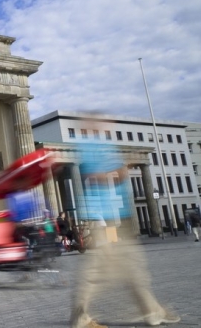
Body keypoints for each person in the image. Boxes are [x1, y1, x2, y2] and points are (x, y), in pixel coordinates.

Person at [70, 120, 180, 328]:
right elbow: (97, 177)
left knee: (131, 268)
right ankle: (80, 317)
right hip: (107, 221)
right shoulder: (91, 149)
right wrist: (123, 167)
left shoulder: (100, 148)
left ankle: (152, 311)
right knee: (98, 272)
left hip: (115, 219)